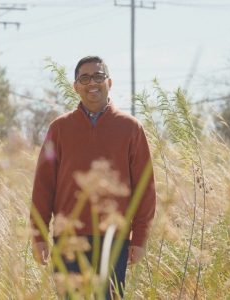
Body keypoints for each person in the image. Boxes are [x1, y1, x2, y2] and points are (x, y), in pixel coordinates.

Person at [30, 56, 156, 299]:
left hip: (114, 239)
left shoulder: (131, 128)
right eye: (84, 78)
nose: (92, 83)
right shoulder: (58, 128)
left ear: (109, 82)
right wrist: (39, 234)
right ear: (76, 87)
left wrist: (139, 237)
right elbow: (43, 186)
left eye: (98, 76)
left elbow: (145, 188)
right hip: (68, 238)